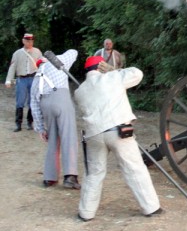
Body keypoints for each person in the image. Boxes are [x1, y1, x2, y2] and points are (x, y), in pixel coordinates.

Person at [74, 56, 162, 222]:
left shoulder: (79, 92)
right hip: (118, 131)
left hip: (94, 134)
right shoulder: (113, 77)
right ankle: (151, 207)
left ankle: (86, 212)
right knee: (134, 168)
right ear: (101, 66)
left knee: (93, 173)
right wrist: (113, 70)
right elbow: (137, 74)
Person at [30, 49, 81, 189]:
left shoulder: (36, 78)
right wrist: (58, 58)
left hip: (45, 104)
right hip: (61, 99)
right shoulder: (58, 63)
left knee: (53, 139)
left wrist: (41, 128)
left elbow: (34, 104)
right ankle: (70, 177)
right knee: (69, 138)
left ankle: (49, 178)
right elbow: (74, 52)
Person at [5, 33, 42, 132]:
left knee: (32, 101)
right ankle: (18, 124)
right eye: (28, 41)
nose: (30, 43)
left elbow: (42, 65)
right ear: (23, 41)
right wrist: (8, 80)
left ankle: (30, 122)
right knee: (20, 102)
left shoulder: (37, 52)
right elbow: (12, 67)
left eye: (31, 41)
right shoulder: (17, 53)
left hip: (33, 78)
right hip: (21, 79)